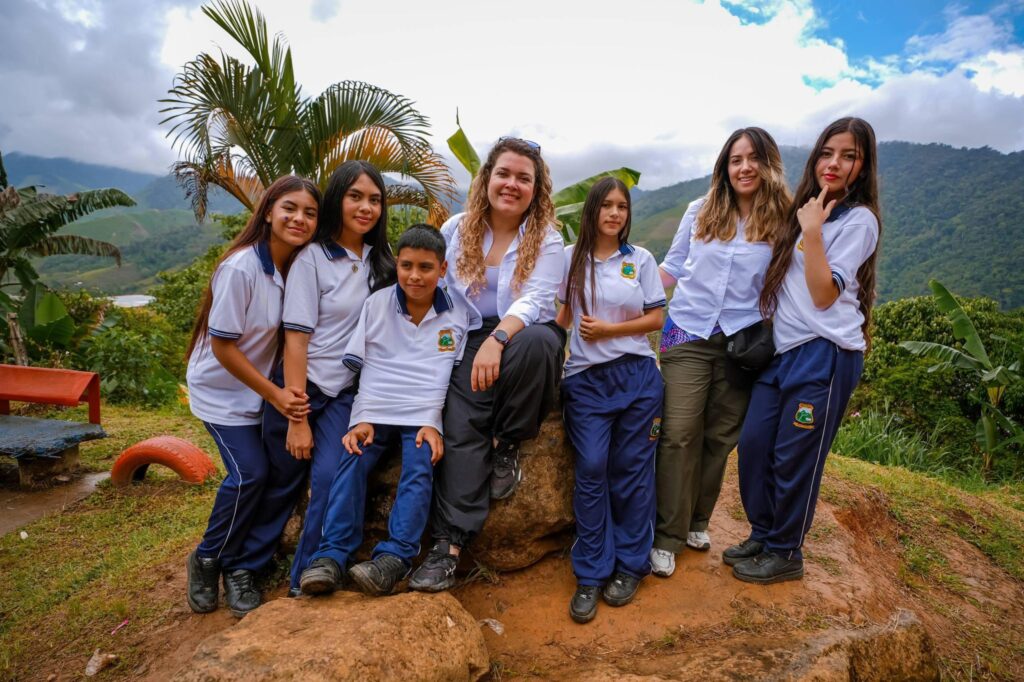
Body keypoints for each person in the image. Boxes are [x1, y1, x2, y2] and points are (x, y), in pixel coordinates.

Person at [408, 138, 566, 593]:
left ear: (536, 188)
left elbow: (537, 300)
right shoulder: (457, 230)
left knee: (539, 343)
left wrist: (498, 340)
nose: (512, 184)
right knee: (461, 423)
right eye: (504, 174)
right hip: (466, 334)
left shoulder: (547, 238)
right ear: (487, 178)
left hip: (521, 332)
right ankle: (448, 546)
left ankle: (510, 442)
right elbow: (441, 294)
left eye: (523, 178)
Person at [729, 117, 881, 584]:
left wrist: (812, 233)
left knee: (796, 456)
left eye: (849, 156)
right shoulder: (805, 209)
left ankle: (785, 550)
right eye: (827, 153)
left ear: (863, 166)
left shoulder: (859, 221)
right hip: (782, 353)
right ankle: (763, 532)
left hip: (826, 354)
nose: (834, 163)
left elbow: (823, 294)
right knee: (754, 446)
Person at [297, 225, 476, 597]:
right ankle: (331, 556)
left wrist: (433, 422)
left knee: (420, 463)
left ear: (443, 269)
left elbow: (444, 374)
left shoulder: (460, 312)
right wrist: (361, 419)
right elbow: (368, 367)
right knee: (352, 457)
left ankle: (395, 558)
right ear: (397, 264)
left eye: (426, 267)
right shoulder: (377, 304)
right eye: (406, 265)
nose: (415, 276)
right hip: (376, 409)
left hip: (422, 414)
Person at [650, 128, 791, 578]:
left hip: (742, 344)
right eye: (735, 159)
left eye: (753, 158)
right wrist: (622, 290)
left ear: (769, 164)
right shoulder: (701, 209)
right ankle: (666, 536)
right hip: (687, 331)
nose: (744, 167)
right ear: (725, 166)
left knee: (718, 438)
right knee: (678, 433)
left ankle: (697, 520)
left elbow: (787, 284)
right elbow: (672, 267)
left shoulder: (783, 220)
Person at [184, 175, 319, 617]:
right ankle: (207, 558)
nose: (299, 219)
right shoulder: (241, 268)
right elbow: (223, 347)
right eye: (289, 208)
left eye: (310, 213)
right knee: (249, 475)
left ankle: (243, 566)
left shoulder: (298, 267)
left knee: (279, 471)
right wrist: (277, 396)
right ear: (268, 211)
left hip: (260, 389)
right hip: (222, 391)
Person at [262, 161, 396, 597]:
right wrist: (298, 418)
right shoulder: (313, 259)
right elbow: (296, 340)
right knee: (276, 483)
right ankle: (242, 566)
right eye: (355, 196)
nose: (365, 207)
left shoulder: (383, 262)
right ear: (337, 198)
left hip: (345, 394)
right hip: (302, 386)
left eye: (374, 199)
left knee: (330, 476)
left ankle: (307, 576)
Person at [555, 177, 666, 623]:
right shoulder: (570, 258)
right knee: (592, 467)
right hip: (586, 380)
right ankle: (591, 572)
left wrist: (609, 330)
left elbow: (656, 318)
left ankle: (630, 565)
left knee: (632, 472)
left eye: (622, 206)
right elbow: (561, 317)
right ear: (592, 211)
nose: (615, 213)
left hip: (637, 376)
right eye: (606, 205)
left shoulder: (640, 259)